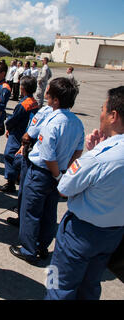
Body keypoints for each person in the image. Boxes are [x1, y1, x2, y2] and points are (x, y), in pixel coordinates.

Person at [45, 86, 124, 300]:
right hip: (114, 234)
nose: (101, 115)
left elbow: (64, 188)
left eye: (103, 109)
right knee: (90, 285)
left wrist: (93, 153)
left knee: (58, 284)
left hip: (81, 233)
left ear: (113, 116)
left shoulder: (99, 158)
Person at [9, 77, 85, 264]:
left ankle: (28, 249)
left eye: (48, 92)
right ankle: (42, 247)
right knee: (49, 212)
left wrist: (56, 173)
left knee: (31, 212)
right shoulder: (76, 122)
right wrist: (63, 173)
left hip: (42, 173)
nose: (45, 94)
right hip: (58, 174)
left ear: (56, 99)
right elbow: (78, 150)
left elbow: (48, 155)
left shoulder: (53, 122)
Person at [0, 76, 38, 193]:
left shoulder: (24, 104)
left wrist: (8, 127)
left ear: (22, 88)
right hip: (27, 132)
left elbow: (13, 119)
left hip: (18, 133)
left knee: (10, 155)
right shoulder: (34, 102)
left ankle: (10, 182)